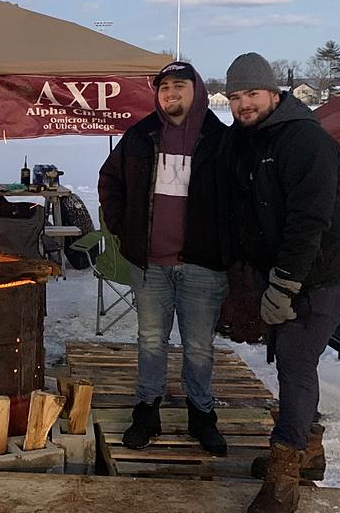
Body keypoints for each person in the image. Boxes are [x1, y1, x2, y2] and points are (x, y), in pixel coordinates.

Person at [221, 52, 340, 513]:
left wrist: (283, 284)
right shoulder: (250, 139)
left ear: (275, 93)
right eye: (236, 96)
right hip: (282, 272)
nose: (244, 104)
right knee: (292, 363)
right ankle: (309, 450)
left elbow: (309, 220)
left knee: (296, 364)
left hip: (317, 274)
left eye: (252, 94)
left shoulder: (305, 140)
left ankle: (284, 479)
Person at [98, 61, 229, 456]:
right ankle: (147, 411)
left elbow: (241, 198)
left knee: (199, 346)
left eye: (180, 86)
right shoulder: (140, 136)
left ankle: (202, 415)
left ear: (197, 90)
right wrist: (124, 230)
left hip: (202, 265)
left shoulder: (219, 139)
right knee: (151, 341)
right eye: (165, 88)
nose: (171, 94)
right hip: (151, 264)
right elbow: (110, 181)